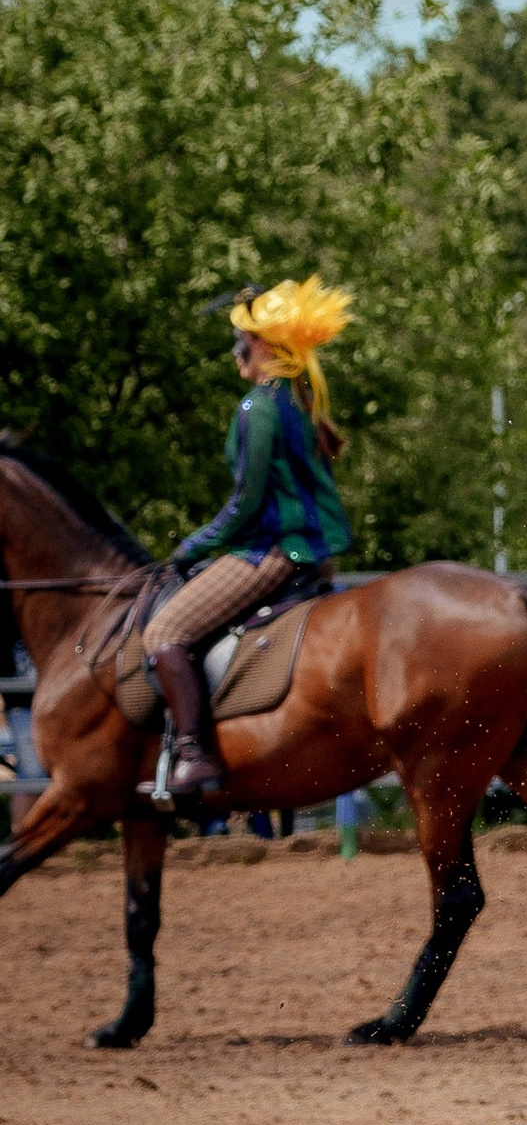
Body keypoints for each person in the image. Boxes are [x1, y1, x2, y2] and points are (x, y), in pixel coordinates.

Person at [149, 278, 352, 812]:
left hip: (278, 551)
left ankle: (195, 756)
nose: (235, 348)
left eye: (241, 338)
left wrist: (191, 547)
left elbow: (244, 503)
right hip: (310, 547)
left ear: (263, 345)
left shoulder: (258, 407)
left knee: (164, 629)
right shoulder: (296, 398)